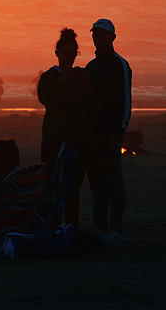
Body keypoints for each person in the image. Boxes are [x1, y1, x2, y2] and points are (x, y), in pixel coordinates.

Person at [37, 28, 94, 227]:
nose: (68, 58)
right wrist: (63, 81)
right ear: (57, 53)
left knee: (73, 186)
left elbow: (90, 101)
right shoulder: (49, 77)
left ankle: (71, 225)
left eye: (72, 54)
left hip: (77, 139)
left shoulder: (82, 75)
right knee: (52, 183)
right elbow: (46, 99)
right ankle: (51, 224)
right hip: (54, 137)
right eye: (65, 53)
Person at [85, 18, 132, 244]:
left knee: (113, 179)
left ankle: (116, 226)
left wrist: (120, 130)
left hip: (110, 133)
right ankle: (100, 224)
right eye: (95, 34)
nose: (97, 37)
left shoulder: (119, 64)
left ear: (112, 37)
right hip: (93, 134)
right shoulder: (91, 67)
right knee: (96, 180)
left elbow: (125, 100)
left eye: (102, 34)